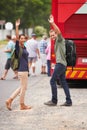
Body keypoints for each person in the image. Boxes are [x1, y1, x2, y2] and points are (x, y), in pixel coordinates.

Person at [44, 15, 72, 106]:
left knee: (52, 81)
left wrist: (52, 23)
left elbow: (59, 31)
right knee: (63, 82)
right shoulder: (56, 42)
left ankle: (54, 101)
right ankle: (69, 101)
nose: (52, 37)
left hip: (60, 64)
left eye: (53, 35)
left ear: (56, 34)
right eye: (51, 36)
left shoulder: (60, 40)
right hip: (62, 64)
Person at [6, 19, 32, 110]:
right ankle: (22, 105)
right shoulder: (18, 47)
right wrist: (17, 26)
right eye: (21, 38)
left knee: (22, 87)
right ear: (19, 39)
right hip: (22, 70)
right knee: (23, 88)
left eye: (24, 38)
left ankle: (9, 100)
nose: (22, 39)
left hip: (24, 70)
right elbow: (16, 37)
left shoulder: (24, 47)